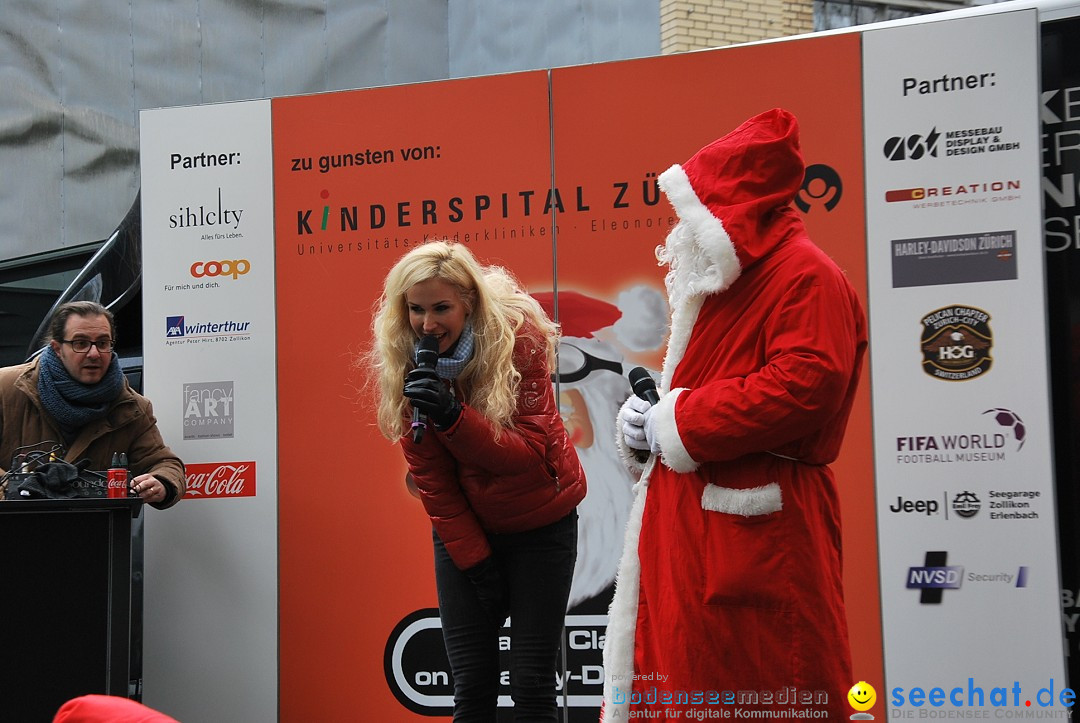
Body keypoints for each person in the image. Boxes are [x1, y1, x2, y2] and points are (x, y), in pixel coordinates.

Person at [604, 108, 867, 720]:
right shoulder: (729, 280)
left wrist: (675, 421)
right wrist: (647, 425)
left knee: (769, 684)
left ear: (732, 213)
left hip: (757, 533)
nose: (681, 231)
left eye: (694, 214)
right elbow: (706, 390)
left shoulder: (806, 277)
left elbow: (806, 385)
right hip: (694, 531)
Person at [367, 240, 586, 721]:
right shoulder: (406, 359)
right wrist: (478, 564)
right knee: (471, 688)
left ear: (469, 301)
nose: (427, 324)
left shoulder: (517, 338)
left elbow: (526, 457)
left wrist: (452, 417)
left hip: (540, 522)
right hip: (465, 528)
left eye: (441, 308)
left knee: (531, 685)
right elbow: (435, 484)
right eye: (416, 310)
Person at [0, 301, 185, 507]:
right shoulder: (6, 388)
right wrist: (14, 487)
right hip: (13, 532)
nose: (94, 354)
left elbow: (164, 463)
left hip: (93, 533)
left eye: (103, 343)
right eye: (81, 343)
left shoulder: (131, 407)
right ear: (57, 348)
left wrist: (161, 482)